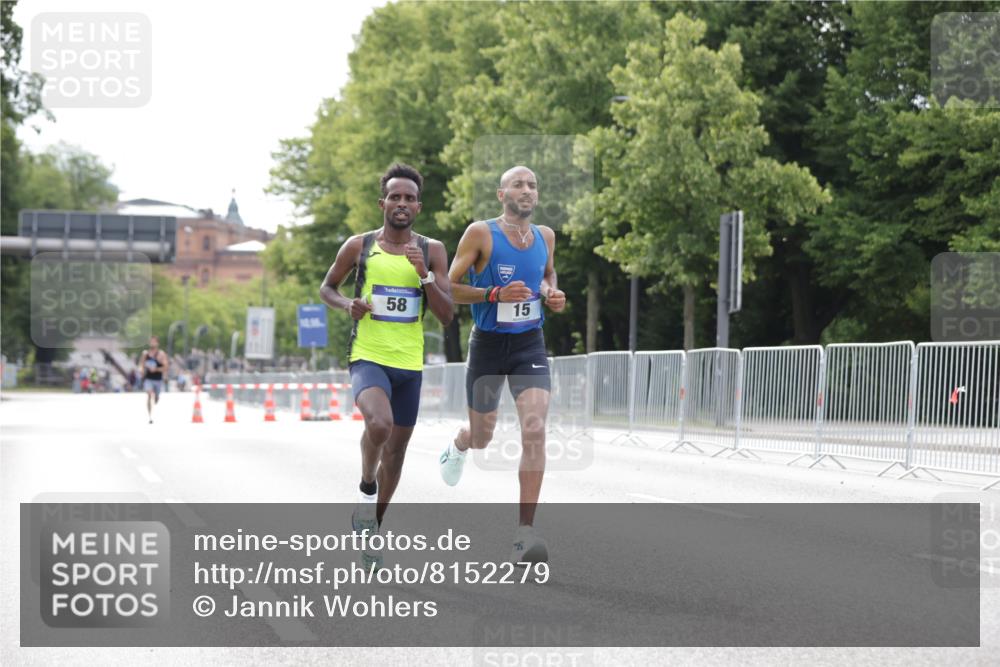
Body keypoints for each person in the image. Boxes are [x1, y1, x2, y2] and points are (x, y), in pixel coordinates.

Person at [319, 163, 453, 569]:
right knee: (379, 425)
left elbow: (447, 316)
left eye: (409, 198)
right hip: (368, 357)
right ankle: (365, 487)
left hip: (409, 364)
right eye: (395, 196)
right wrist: (348, 305)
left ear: (418, 207)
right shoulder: (359, 247)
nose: (402, 203)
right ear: (383, 203)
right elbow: (328, 287)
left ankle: (372, 526)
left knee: (396, 452)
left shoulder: (433, 251)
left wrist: (424, 275)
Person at [439, 165, 566, 564]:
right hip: (489, 346)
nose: (526, 190)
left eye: (532, 185)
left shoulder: (546, 236)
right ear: (501, 194)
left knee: (535, 427)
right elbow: (447, 287)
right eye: (518, 184)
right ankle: (460, 444)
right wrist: (494, 294)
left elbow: (546, 274)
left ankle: (524, 534)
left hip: (530, 343)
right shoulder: (481, 233)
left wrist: (551, 292)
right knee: (483, 437)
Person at [138, 336, 168, 423]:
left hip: (158, 379)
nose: (152, 343)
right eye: (151, 342)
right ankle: (150, 416)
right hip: (148, 378)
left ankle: (157, 397)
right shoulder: (145, 354)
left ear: (157, 343)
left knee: (156, 397)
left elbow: (165, 367)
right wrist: (141, 370)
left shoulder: (161, 354)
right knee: (149, 394)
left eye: (154, 342)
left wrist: (156, 369)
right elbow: (141, 365)